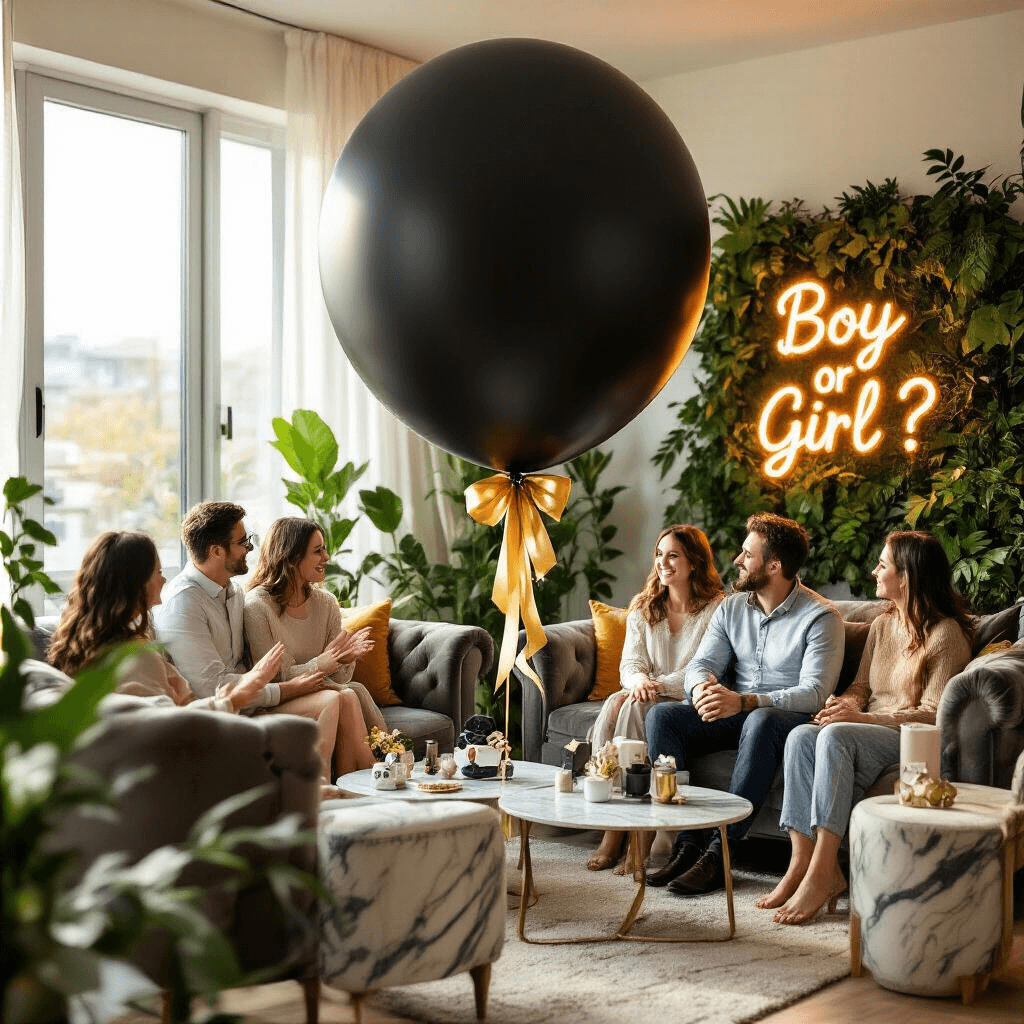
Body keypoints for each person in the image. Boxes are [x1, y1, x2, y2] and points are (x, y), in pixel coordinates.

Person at [762, 530, 974, 924]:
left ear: (906, 576)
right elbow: (861, 687)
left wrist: (860, 718)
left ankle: (823, 871)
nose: (874, 571)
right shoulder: (882, 625)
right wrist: (844, 704)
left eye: (883, 565)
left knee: (836, 735)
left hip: (905, 736)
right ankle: (801, 862)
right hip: (865, 724)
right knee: (801, 736)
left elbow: (933, 714)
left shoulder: (946, 635)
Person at [645, 512, 845, 897]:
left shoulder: (821, 617)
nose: (737, 560)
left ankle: (723, 852)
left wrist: (747, 700)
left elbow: (815, 692)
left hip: (785, 718)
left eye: (747, 554)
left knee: (762, 719)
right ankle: (687, 843)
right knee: (663, 717)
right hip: (735, 710)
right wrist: (702, 688)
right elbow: (702, 663)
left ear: (774, 565)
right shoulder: (733, 607)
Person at [153, 502, 343, 783]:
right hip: (217, 716)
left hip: (252, 704)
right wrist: (286, 689)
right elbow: (211, 690)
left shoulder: (232, 591)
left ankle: (362, 784)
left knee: (343, 695)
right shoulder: (184, 603)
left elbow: (245, 663)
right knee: (330, 699)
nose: (251, 548)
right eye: (243, 542)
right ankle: (319, 790)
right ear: (217, 551)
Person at [586, 524, 724, 872]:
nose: (663, 562)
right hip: (644, 694)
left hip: (686, 700)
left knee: (632, 704)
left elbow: (702, 669)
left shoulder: (716, 610)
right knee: (627, 703)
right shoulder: (645, 606)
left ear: (694, 561)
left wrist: (654, 686)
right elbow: (630, 663)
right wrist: (637, 682)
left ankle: (627, 834)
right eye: (659, 554)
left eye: (673, 555)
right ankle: (624, 830)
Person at [47, 531, 288, 715]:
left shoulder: (91, 639)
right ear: (136, 584)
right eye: (157, 571)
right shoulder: (133, 657)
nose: (163, 580)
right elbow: (165, 726)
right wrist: (233, 699)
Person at [244, 517, 386, 776]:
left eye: (324, 549)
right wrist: (325, 662)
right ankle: (374, 770)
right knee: (345, 694)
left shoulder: (327, 603)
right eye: (318, 550)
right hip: (278, 699)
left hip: (323, 691)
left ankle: (351, 784)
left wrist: (343, 660)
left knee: (348, 691)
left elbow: (341, 677)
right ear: (291, 556)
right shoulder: (257, 607)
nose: (327, 557)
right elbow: (276, 678)